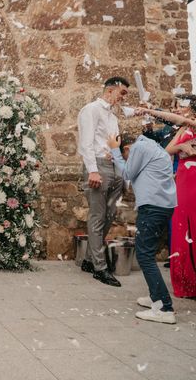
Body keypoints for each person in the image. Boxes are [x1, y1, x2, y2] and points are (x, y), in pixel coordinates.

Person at [107, 131, 177, 324]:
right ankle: (156, 296)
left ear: (127, 148)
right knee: (148, 252)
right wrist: (116, 154)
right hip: (162, 205)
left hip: (153, 207)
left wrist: (114, 150)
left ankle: (164, 307)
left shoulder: (138, 147)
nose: (126, 159)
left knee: (145, 255)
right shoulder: (150, 146)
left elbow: (127, 173)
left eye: (125, 155)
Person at [138, 105, 196, 299]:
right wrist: (151, 112)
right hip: (185, 178)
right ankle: (186, 282)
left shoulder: (190, 124)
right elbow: (168, 149)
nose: (184, 113)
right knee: (182, 226)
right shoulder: (185, 126)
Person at [77, 76, 129, 287]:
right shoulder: (91, 109)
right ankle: (100, 268)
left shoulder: (113, 117)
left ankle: (89, 259)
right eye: (122, 92)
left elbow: (113, 143)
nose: (123, 97)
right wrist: (92, 170)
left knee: (110, 214)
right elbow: (86, 142)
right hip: (97, 167)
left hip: (113, 167)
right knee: (97, 216)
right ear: (110, 89)